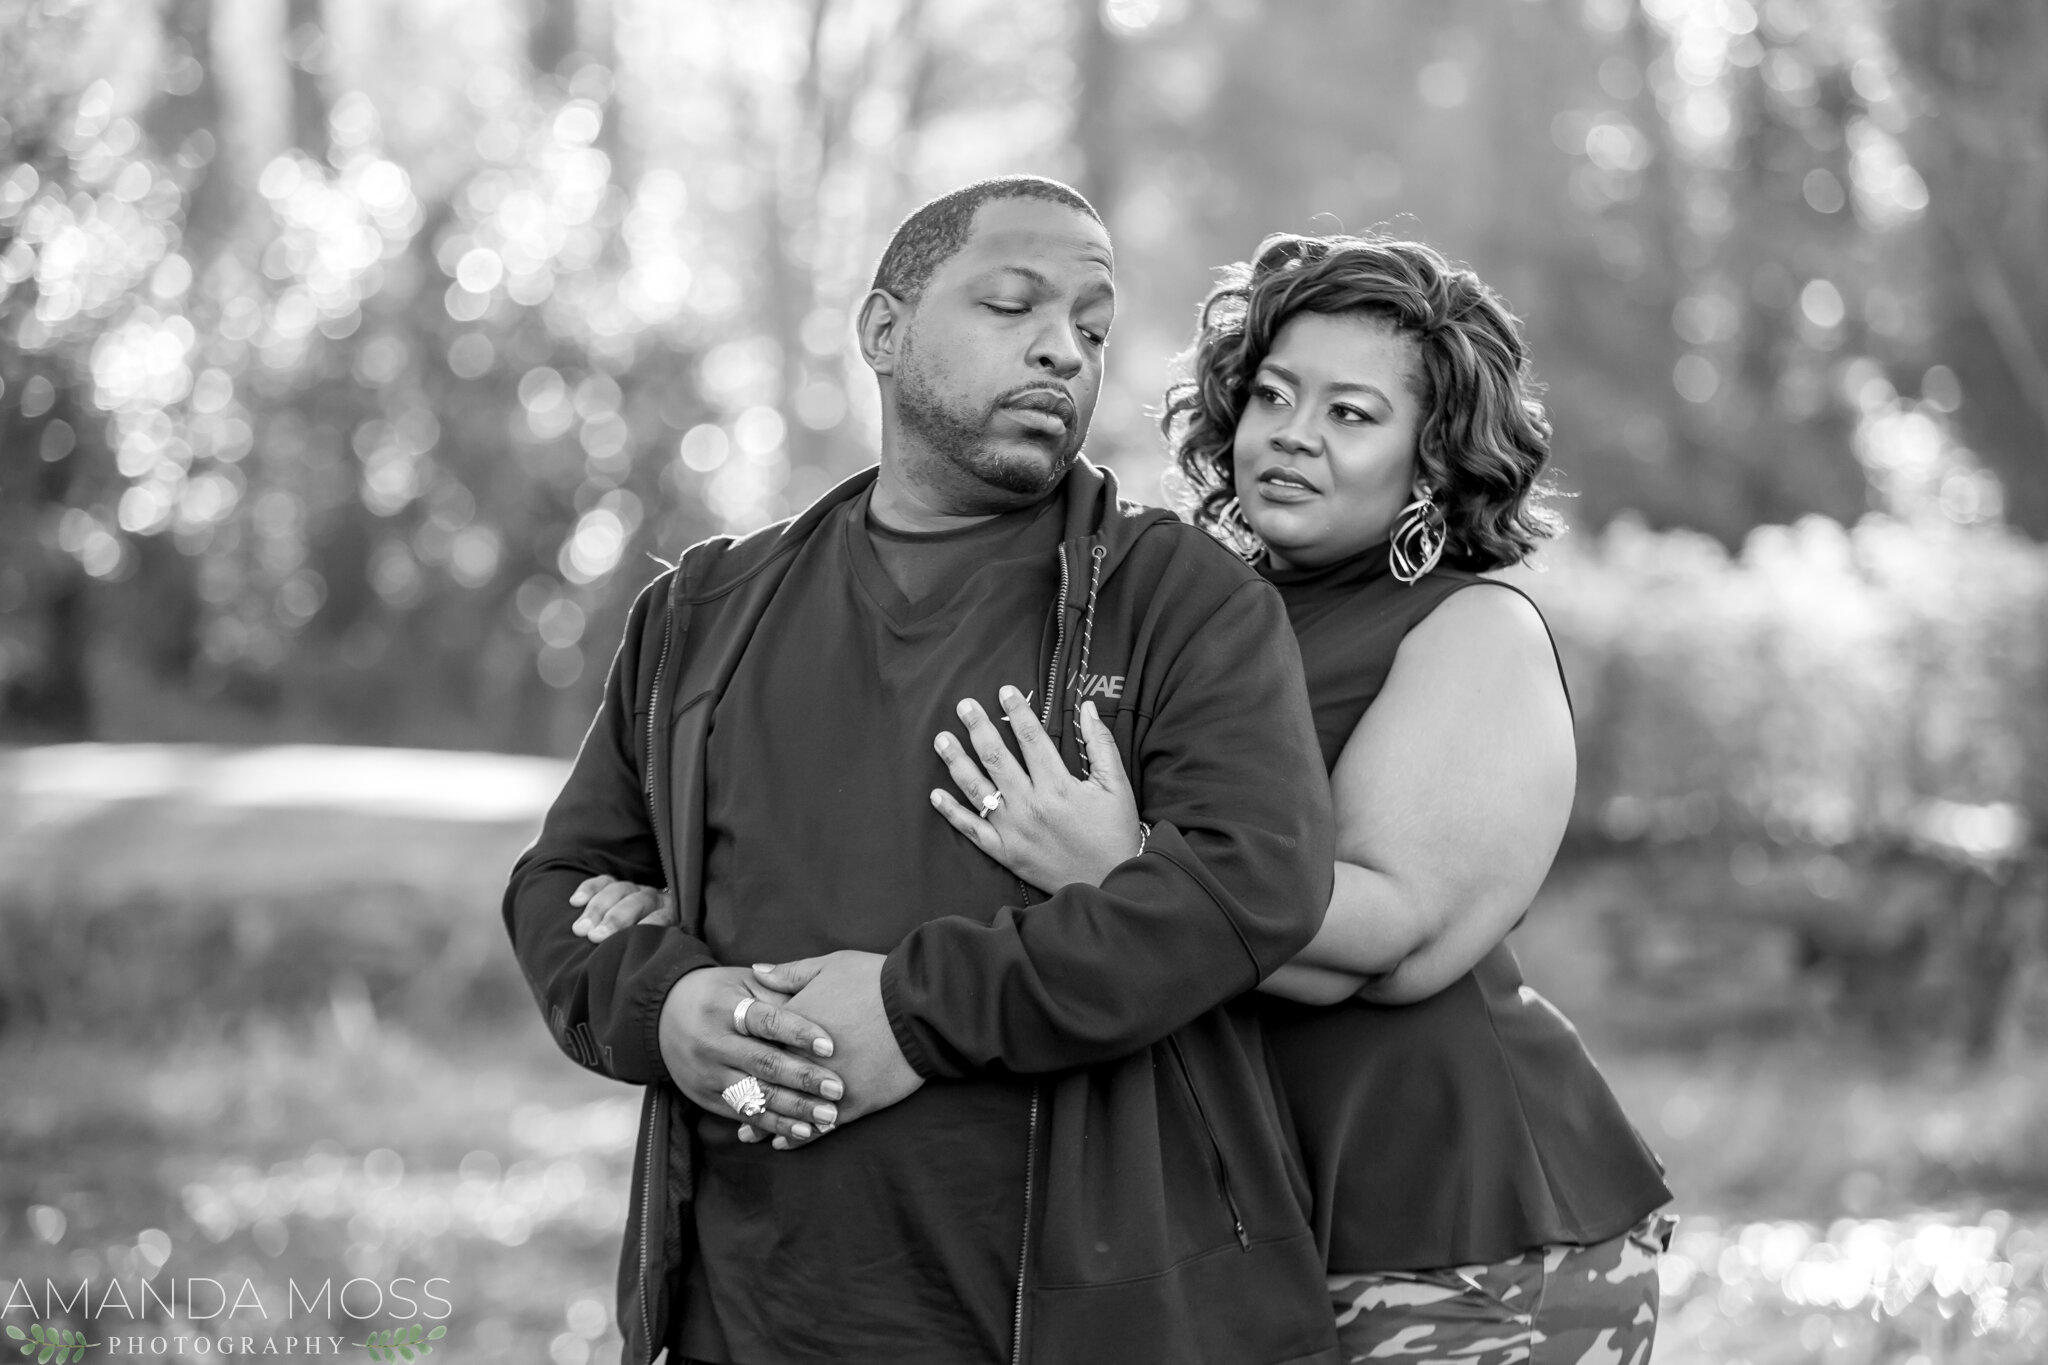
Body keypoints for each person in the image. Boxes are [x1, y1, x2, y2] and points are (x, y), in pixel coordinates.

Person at [502, 178, 1344, 1365]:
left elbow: (1249, 886)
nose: (1062, 348)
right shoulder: (699, 614)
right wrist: (669, 1008)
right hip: (748, 1318)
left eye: (1092, 328)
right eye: (1014, 305)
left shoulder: (1182, 604)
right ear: (883, 333)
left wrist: (913, 1015)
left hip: (1098, 1320)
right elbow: (562, 884)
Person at [919, 234, 1675, 1364]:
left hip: (1456, 1239)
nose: (1291, 434)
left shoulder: (1470, 629)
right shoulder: (1205, 612)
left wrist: (1123, 872)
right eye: (1272, 395)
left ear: (1431, 456)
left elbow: (1390, 936)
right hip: (1238, 1238)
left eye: (1350, 415)